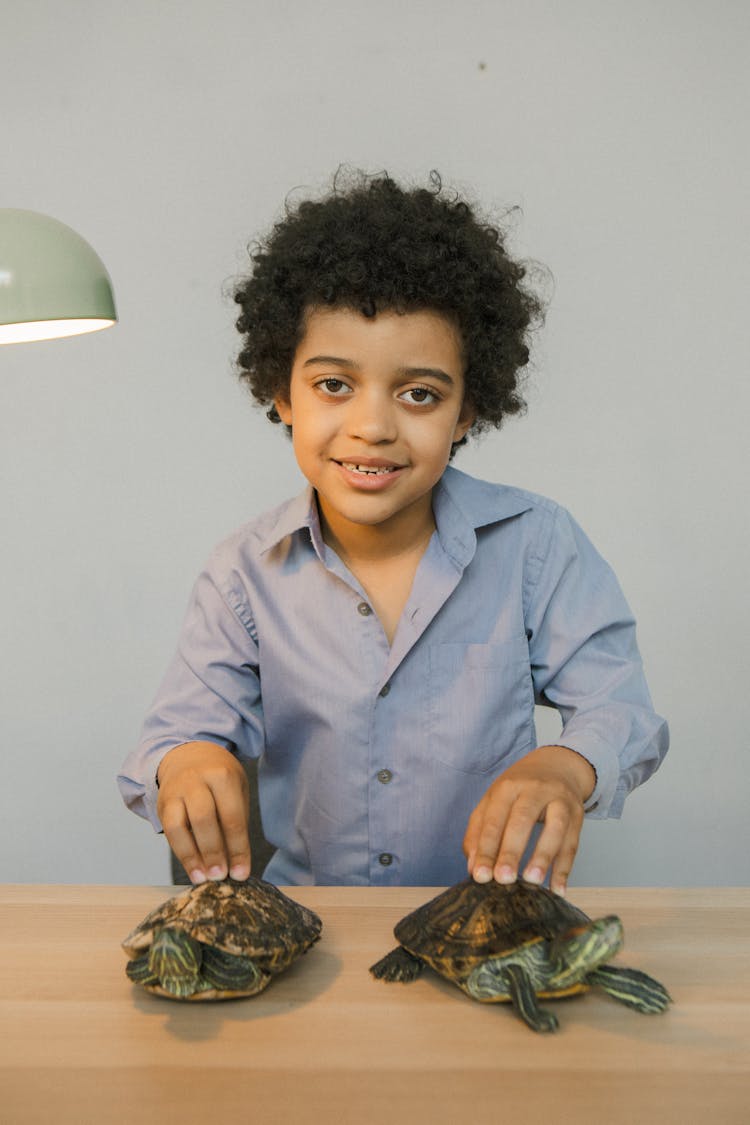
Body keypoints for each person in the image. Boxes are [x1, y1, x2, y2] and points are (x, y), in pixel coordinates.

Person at [118, 171, 668, 894]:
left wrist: (567, 765)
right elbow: (173, 732)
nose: (373, 427)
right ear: (282, 393)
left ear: (468, 412)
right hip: (311, 937)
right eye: (333, 385)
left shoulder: (537, 546)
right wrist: (187, 760)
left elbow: (620, 707)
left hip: (484, 931)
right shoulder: (243, 573)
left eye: (419, 394)